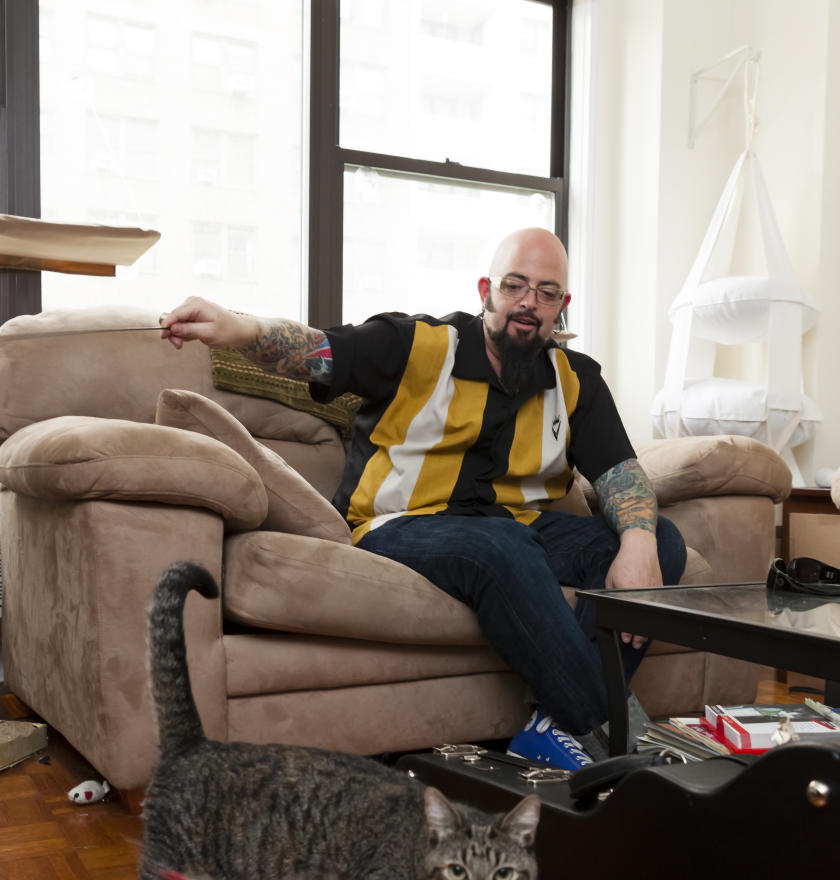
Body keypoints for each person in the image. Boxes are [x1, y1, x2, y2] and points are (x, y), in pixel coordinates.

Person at [160, 228, 686, 769]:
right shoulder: (419, 345)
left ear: (562, 306)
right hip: (398, 525)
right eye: (515, 285)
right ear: (486, 290)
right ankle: (613, 731)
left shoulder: (575, 380)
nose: (529, 302)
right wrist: (234, 326)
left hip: (518, 528)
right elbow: (318, 350)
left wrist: (640, 540)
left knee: (659, 541)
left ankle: (550, 728)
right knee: (501, 547)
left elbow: (622, 472)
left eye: (547, 292)